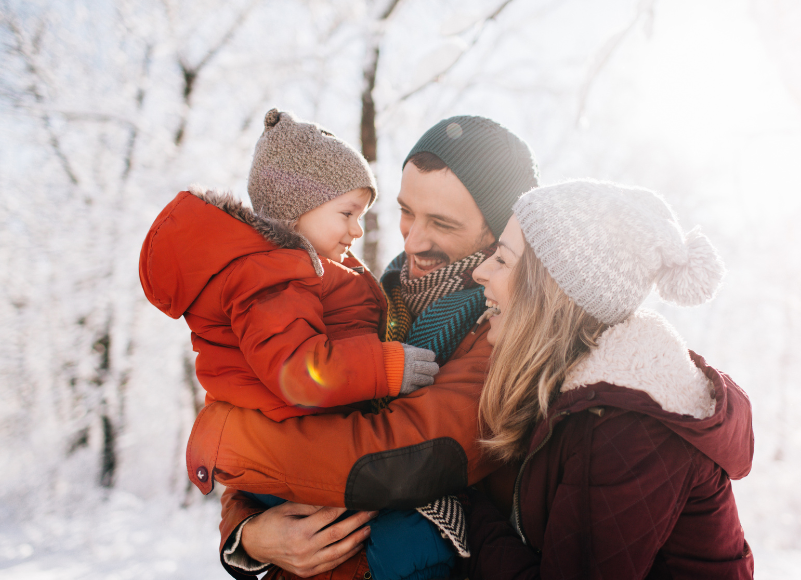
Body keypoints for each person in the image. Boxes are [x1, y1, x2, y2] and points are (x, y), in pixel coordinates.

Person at [183, 115, 541, 579]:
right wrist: (249, 533)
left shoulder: (503, 331)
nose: (413, 239)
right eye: (407, 211)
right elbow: (279, 410)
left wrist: (229, 439)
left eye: (442, 223)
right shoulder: (370, 293)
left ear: (497, 231)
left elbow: (402, 457)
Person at [139, 109, 454, 579]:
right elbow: (298, 368)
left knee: (403, 541)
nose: (357, 230)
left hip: (292, 447)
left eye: (362, 216)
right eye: (347, 213)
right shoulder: (271, 275)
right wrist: (387, 368)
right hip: (291, 449)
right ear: (297, 209)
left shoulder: (297, 271)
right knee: (412, 541)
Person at [466, 180, 754, 579]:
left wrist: (461, 513)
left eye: (502, 259)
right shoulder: (573, 394)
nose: (479, 271)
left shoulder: (627, 429)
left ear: (551, 292)